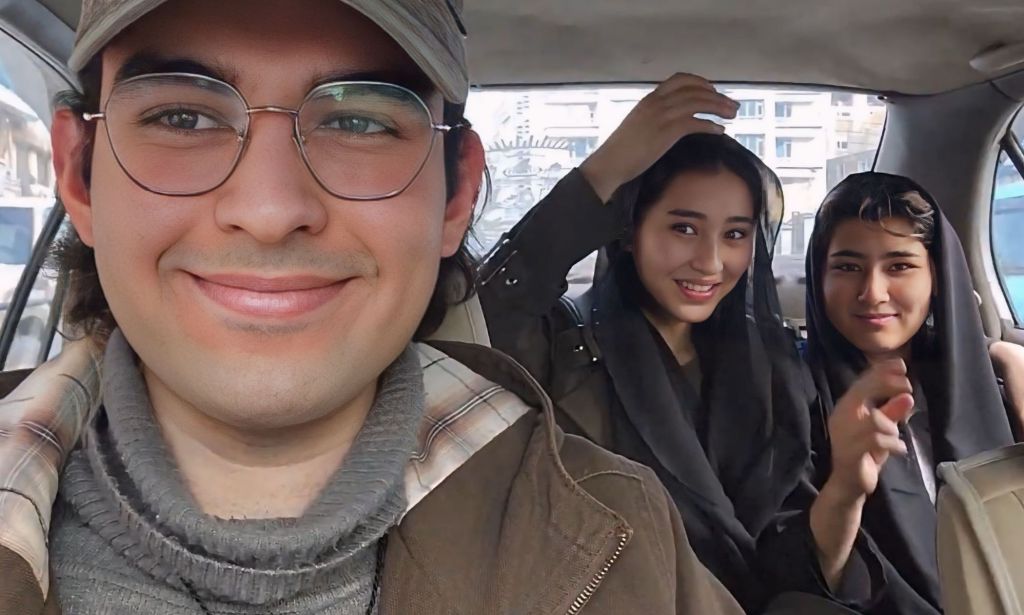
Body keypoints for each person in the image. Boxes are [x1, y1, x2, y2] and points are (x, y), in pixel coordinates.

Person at [0, 1, 750, 613]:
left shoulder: (628, 537)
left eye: (358, 121)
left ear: (455, 195)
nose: (268, 209)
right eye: (182, 118)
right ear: (79, 177)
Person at [478, 75, 818, 612]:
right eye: (684, 228)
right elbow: (481, 315)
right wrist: (600, 174)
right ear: (630, 231)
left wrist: (852, 483)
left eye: (735, 234)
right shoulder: (564, 348)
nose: (710, 262)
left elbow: (794, 543)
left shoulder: (773, 362)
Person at [761, 172, 1020, 614]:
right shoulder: (787, 395)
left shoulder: (992, 384)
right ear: (818, 278)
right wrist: (846, 486)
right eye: (847, 267)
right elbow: (795, 582)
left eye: (899, 266)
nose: (872, 292)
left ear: (937, 276)